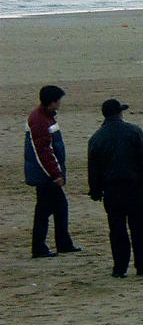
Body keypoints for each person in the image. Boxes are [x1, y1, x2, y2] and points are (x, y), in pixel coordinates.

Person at [88, 99, 143, 278]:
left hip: (112, 190)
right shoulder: (133, 131)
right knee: (139, 229)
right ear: (120, 113)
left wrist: (95, 191)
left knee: (117, 230)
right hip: (134, 187)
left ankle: (120, 268)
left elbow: (93, 168)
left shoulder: (96, 138)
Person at [25, 85, 81, 258]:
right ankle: (42, 247)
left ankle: (60, 244)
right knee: (46, 210)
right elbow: (44, 152)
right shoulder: (40, 120)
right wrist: (56, 174)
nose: (60, 104)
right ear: (52, 102)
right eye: (58, 101)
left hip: (46, 173)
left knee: (55, 208)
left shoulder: (44, 117)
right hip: (46, 175)